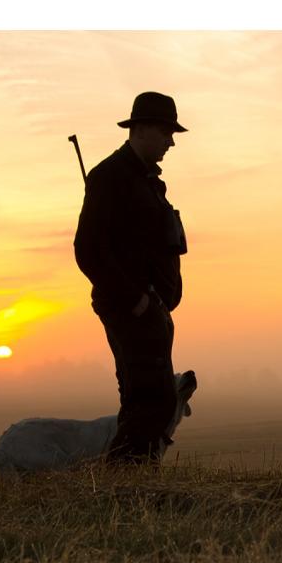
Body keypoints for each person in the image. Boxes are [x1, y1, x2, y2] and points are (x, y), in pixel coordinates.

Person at [73, 92, 189, 465]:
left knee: (147, 398)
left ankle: (134, 484)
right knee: (153, 399)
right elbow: (88, 249)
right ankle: (123, 483)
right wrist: (136, 300)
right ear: (139, 130)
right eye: (165, 131)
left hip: (151, 309)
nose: (171, 141)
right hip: (132, 309)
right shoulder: (110, 177)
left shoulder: (148, 182)